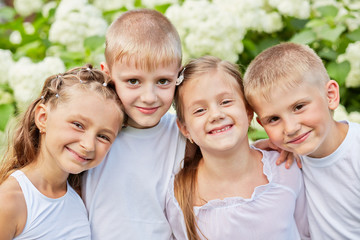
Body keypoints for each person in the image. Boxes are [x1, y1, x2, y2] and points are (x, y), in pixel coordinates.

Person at [165, 56, 310, 240]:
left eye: (225, 102)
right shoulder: (179, 195)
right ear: (185, 129)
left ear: (248, 112)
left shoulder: (286, 168)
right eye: (200, 110)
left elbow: (309, 233)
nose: (216, 115)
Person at [81, 9, 187, 240]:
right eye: (133, 81)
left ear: (178, 75)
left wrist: (265, 146)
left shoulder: (183, 134)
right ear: (108, 74)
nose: (149, 96)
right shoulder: (93, 134)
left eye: (163, 81)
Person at [243, 42, 360, 239]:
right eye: (274, 119)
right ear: (261, 125)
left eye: (299, 107)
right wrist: (254, 150)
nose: (290, 128)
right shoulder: (282, 158)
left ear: (330, 95)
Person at [0, 64, 124, 239]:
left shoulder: (81, 197)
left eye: (103, 136)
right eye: (78, 125)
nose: (88, 145)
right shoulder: (10, 201)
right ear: (43, 118)